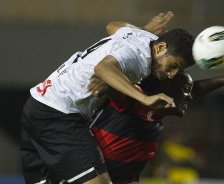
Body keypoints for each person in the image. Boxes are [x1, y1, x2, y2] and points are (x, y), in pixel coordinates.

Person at [20, 11, 198, 184]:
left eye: (178, 70)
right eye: (173, 65)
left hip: (38, 103)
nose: (172, 74)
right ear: (160, 48)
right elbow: (103, 68)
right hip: (58, 114)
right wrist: (144, 99)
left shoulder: (143, 38)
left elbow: (113, 26)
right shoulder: (138, 57)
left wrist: (143, 29)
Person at [89, 64, 224, 184]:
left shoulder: (155, 113)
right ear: (165, 90)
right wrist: (105, 85)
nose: (189, 96)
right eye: (186, 90)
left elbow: (194, 92)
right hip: (85, 174)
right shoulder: (138, 99)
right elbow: (116, 89)